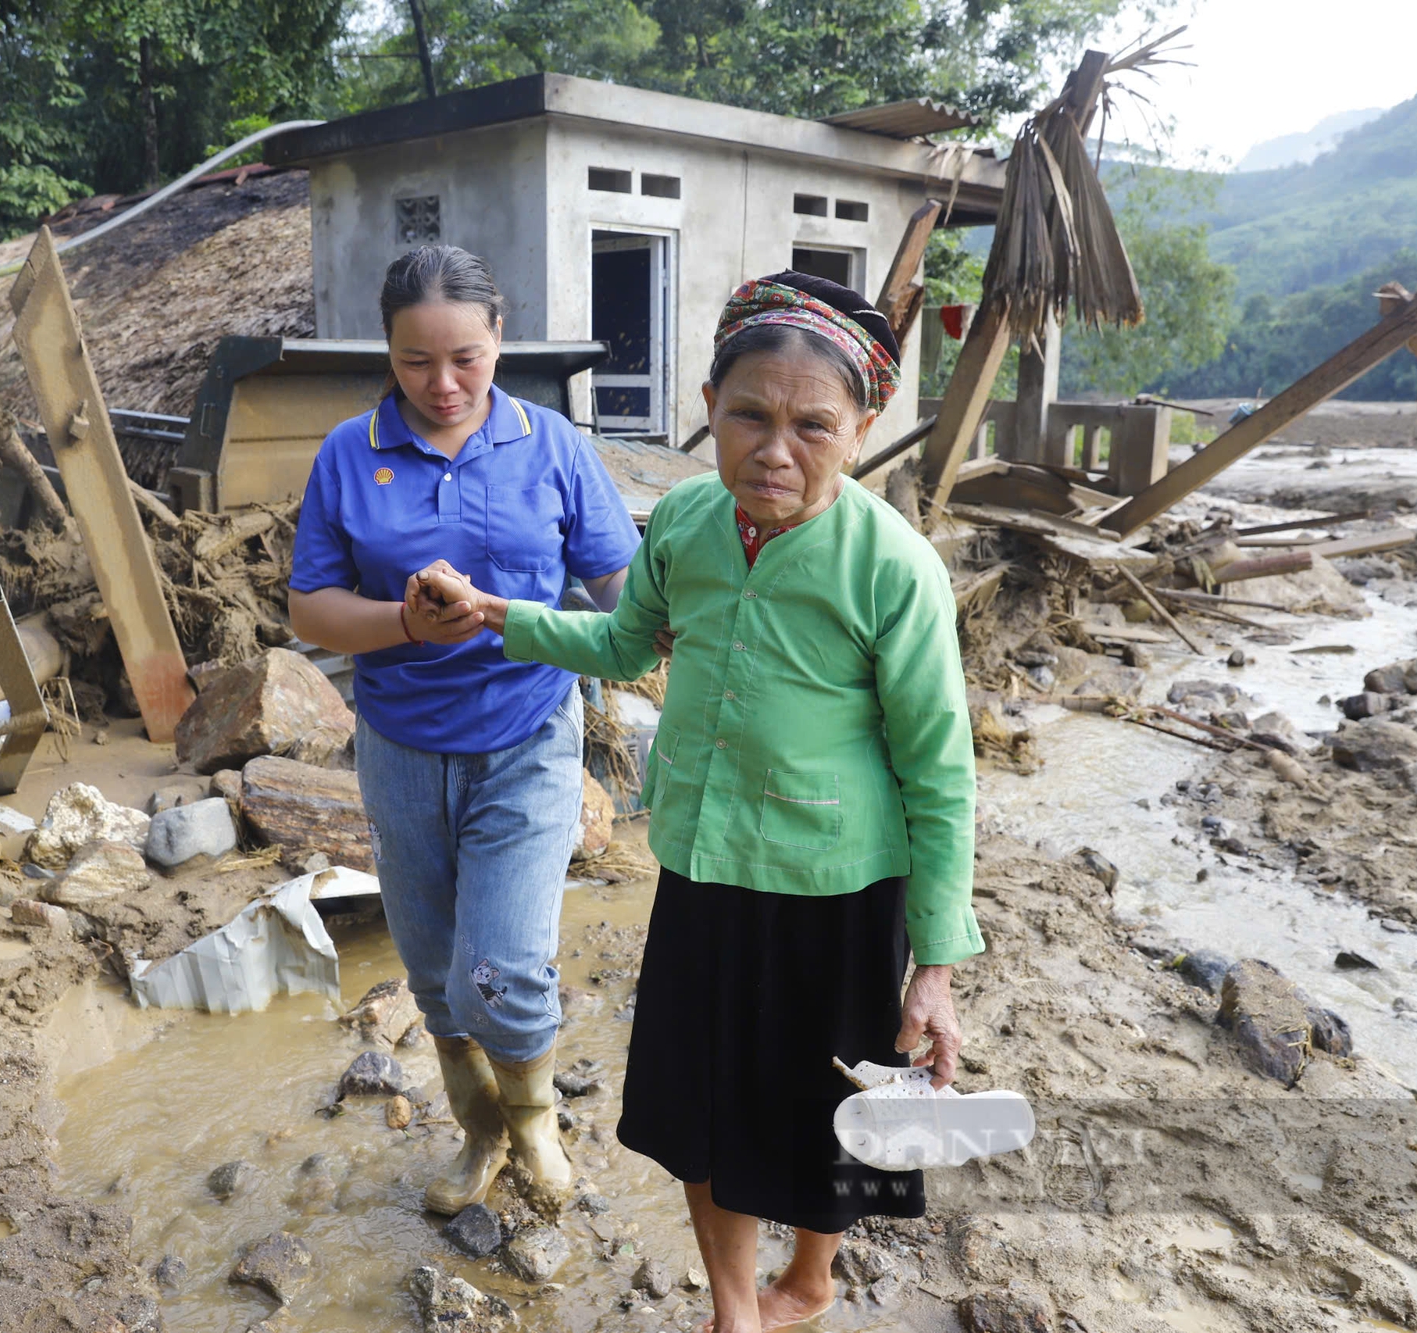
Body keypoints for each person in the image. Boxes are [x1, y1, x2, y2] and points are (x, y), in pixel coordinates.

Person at [413, 271, 984, 1332]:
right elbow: (625, 645)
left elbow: (938, 775)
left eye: (812, 425)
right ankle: (734, 1308)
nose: (775, 450)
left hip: (843, 885)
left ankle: (808, 1280)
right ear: (709, 412)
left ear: (859, 430)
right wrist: (500, 613)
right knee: (701, 1105)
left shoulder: (892, 569)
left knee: (838, 1109)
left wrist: (937, 967)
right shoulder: (682, 521)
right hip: (704, 866)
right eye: (747, 417)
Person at [287, 245, 640, 1216]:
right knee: (437, 968)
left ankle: (532, 1124)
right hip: (399, 747)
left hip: (525, 735)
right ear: (387, 353)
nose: (442, 385)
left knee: (506, 965)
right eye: (414, 362)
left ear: (499, 341)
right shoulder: (347, 456)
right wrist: (403, 622)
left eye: (466, 359)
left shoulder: (553, 446)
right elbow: (310, 610)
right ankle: (478, 1125)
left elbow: (623, 589)